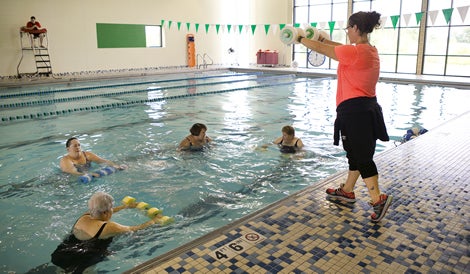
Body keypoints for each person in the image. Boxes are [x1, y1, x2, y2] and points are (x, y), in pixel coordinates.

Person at [297, 11, 392, 222]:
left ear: (356, 28)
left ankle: (378, 199)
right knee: (355, 154)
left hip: (355, 112)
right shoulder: (368, 50)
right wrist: (324, 38)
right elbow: (337, 47)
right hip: (365, 109)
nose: (347, 32)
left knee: (363, 158)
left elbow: (324, 50)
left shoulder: (356, 52)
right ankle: (347, 191)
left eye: (348, 28)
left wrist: (300, 39)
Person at [51, 192, 163, 273]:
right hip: (85, 259)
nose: (112, 211)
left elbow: (103, 210)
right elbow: (135, 229)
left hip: (61, 254)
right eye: (111, 209)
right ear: (105, 212)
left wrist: (125, 207)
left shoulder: (85, 216)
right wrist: (154, 220)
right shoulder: (108, 227)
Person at [60, 137, 127, 177]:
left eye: (79, 145)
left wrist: (116, 165)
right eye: (75, 146)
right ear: (68, 149)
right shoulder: (66, 160)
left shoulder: (87, 155)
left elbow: (103, 161)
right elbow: (73, 172)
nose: (78, 147)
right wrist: (89, 174)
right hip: (69, 177)